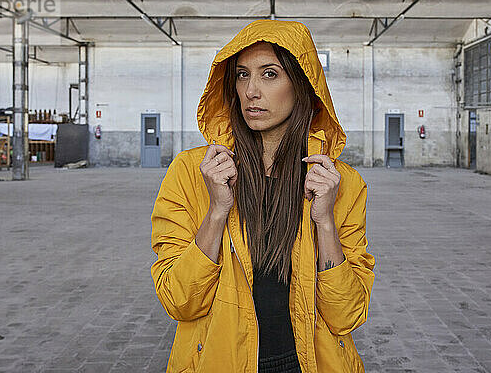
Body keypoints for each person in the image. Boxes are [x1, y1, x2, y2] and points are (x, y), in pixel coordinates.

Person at [151, 19, 376, 373]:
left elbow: (346, 314)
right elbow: (179, 301)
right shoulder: (192, 173)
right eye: (242, 75)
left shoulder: (340, 183)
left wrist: (326, 223)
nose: (251, 91)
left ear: (302, 85)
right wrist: (216, 213)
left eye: (269, 74)